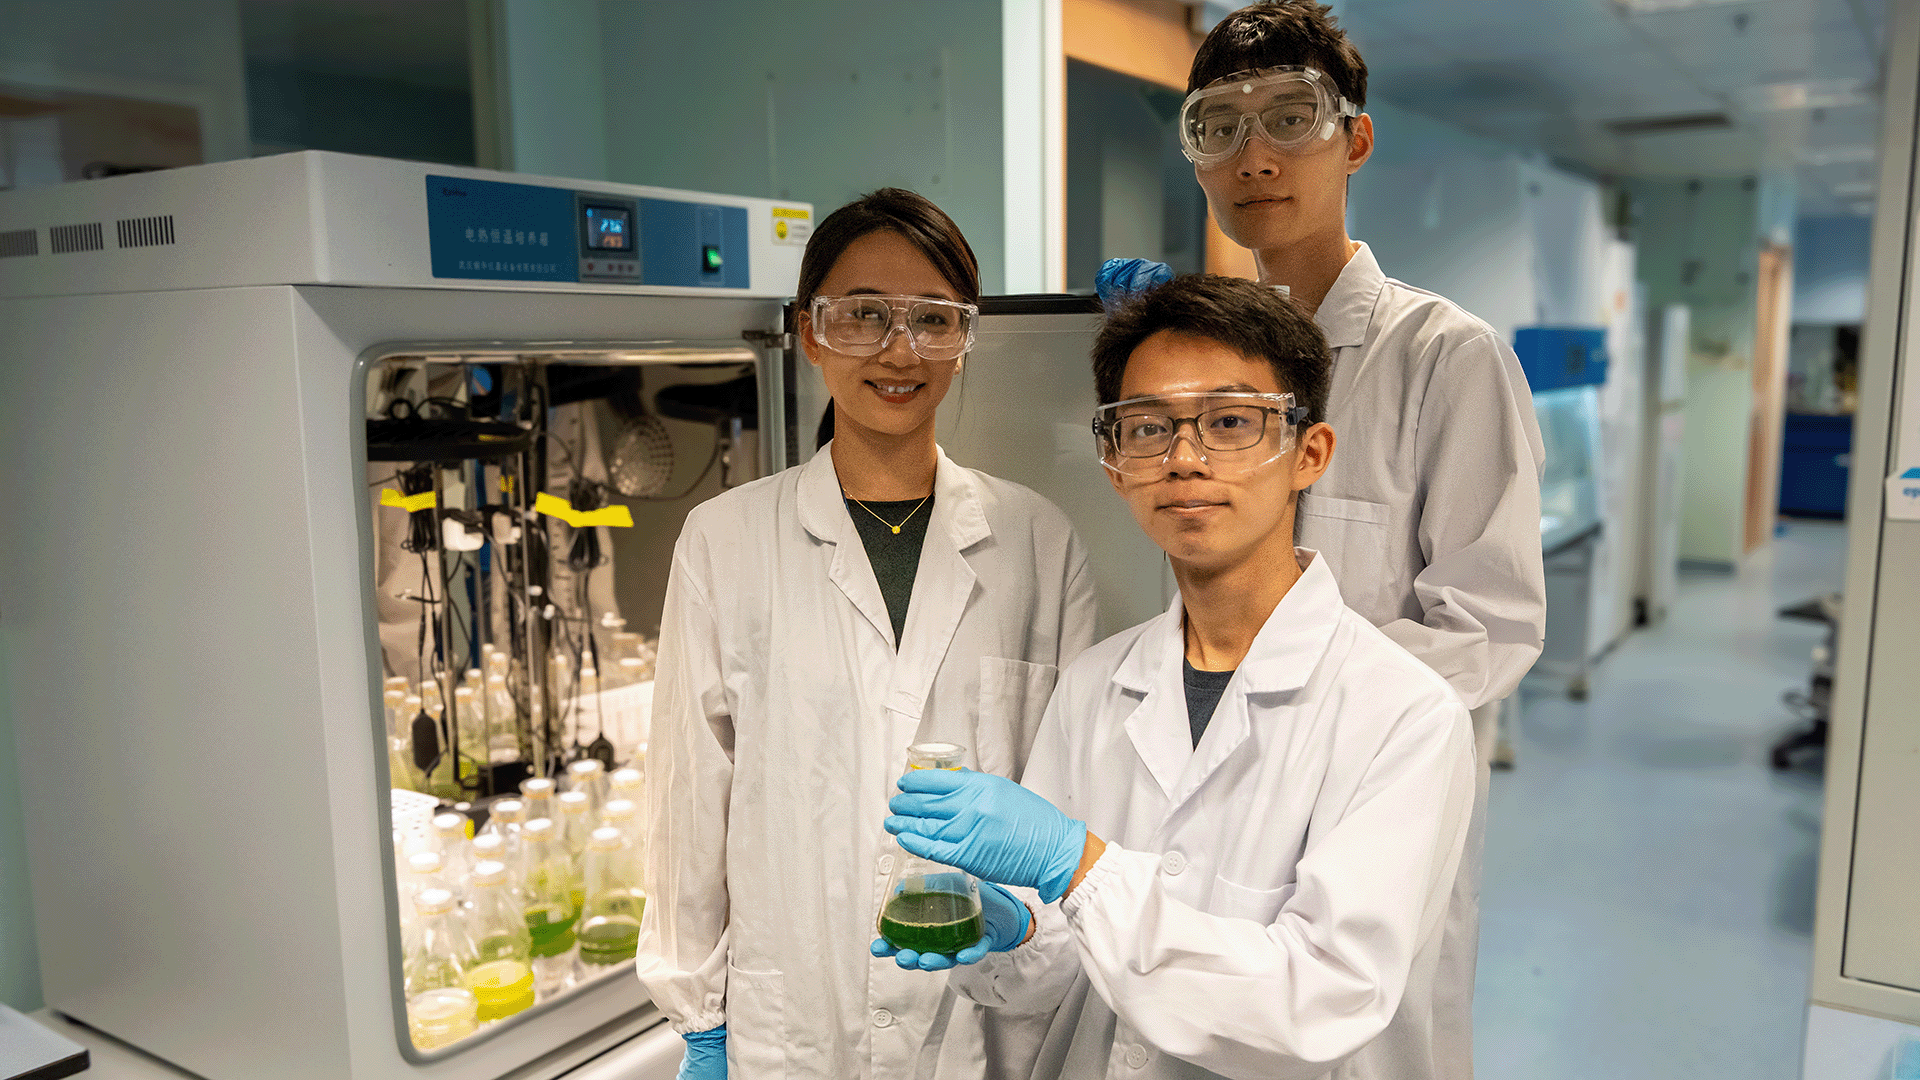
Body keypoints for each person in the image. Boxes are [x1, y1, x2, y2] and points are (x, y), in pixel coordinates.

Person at [880, 274, 1476, 1079]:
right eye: (1148, 428)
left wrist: (1079, 865)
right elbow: (1066, 959)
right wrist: (1019, 930)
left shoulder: (1404, 715)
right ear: (1114, 463)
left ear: (1309, 453)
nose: (1185, 459)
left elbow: (1322, 997)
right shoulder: (1096, 684)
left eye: (1231, 422)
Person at [1097, 5, 1547, 1070]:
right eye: (1218, 128)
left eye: (1291, 118)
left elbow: (1491, 629)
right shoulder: (1196, 360)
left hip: (1360, 811)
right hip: (1191, 778)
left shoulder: (1448, 358)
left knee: (1349, 1037)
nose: (1254, 156)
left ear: (1356, 139)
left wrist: (1289, 695)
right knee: (1180, 1007)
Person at [635, 188, 1100, 1080]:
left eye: (933, 319)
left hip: (988, 1005)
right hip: (799, 1017)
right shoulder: (725, 542)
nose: (899, 349)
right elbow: (690, 796)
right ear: (811, 333)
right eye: (863, 316)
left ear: (967, 341)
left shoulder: (1040, 541)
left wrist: (1035, 932)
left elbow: (1074, 793)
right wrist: (699, 1018)